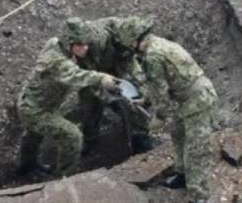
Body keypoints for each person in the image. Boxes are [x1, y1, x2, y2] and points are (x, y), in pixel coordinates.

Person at [112, 19, 217, 203]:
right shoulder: (157, 44)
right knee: (177, 133)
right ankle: (182, 175)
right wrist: (146, 100)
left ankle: (199, 194)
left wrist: (158, 117)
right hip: (184, 98)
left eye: (129, 43)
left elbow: (160, 91)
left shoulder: (153, 55)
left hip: (197, 98)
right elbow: (162, 85)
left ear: (135, 40)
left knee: (197, 148)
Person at [17, 22, 121, 176]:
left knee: (33, 134)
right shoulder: (56, 61)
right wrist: (101, 78)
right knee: (73, 136)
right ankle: (64, 178)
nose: (85, 48)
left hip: (37, 104)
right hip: (35, 110)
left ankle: (26, 167)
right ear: (68, 44)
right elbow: (75, 75)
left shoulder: (56, 45)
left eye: (85, 43)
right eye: (80, 45)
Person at [70, 17, 154, 155]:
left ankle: (140, 136)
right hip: (92, 69)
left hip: (117, 63)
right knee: (89, 105)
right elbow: (86, 74)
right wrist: (106, 94)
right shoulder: (91, 41)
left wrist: (141, 88)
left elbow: (131, 66)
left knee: (134, 96)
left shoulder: (128, 40)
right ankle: (90, 142)